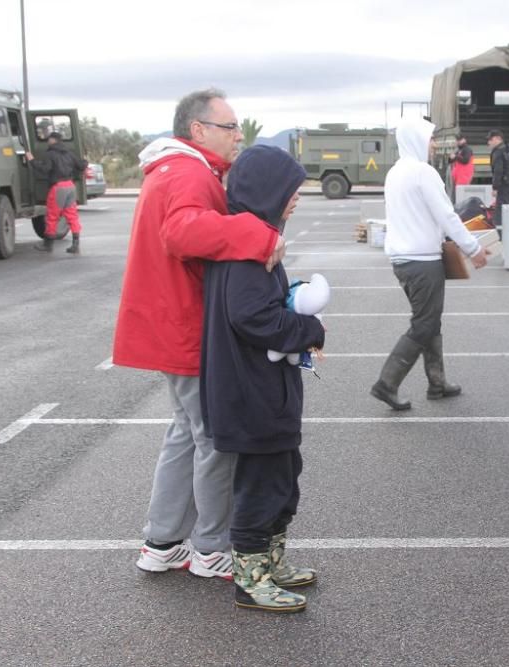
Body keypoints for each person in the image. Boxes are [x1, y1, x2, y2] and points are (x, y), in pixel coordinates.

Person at [113, 89, 287, 580]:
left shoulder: (176, 168)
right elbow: (184, 232)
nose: (239, 135)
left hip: (173, 324)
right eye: (230, 126)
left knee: (186, 436)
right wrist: (262, 237)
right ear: (198, 130)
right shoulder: (189, 172)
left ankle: (163, 540)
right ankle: (211, 548)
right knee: (214, 438)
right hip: (187, 326)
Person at [201, 145, 326, 612]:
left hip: (262, 389)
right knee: (260, 486)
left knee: (283, 477)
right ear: (268, 190)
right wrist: (309, 328)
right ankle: (250, 579)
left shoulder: (253, 238)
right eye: (292, 190)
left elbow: (260, 312)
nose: (297, 197)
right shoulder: (247, 249)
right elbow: (253, 317)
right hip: (250, 392)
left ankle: (270, 562)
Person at [370, 117, 488, 411]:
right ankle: (387, 383)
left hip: (402, 260)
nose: (433, 144)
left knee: (429, 320)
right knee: (424, 324)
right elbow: (446, 216)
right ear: (417, 140)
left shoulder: (395, 173)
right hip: (423, 261)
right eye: (430, 138)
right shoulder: (423, 173)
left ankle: (437, 383)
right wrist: (473, 247)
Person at [26, 132, 88, 254]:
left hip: (58, 188)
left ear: (53, 140)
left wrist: (32, 161)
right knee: (72, 215)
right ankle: (75, 245)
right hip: (70, 186)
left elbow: (45, 169)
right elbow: (81, 165)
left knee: (52, 216)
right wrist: (85, 162)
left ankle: (48, 244)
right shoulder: (69, 153)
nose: (47, 141)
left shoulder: (50, 154)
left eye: (49, 139)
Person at [486, 129, 509, 227]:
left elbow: (498, 171)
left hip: (505, 186)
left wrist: (495, 188)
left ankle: (501, 236)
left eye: (490, 140)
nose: (489, 142)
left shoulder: (498, 152)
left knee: (501, 213)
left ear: (498, 139)